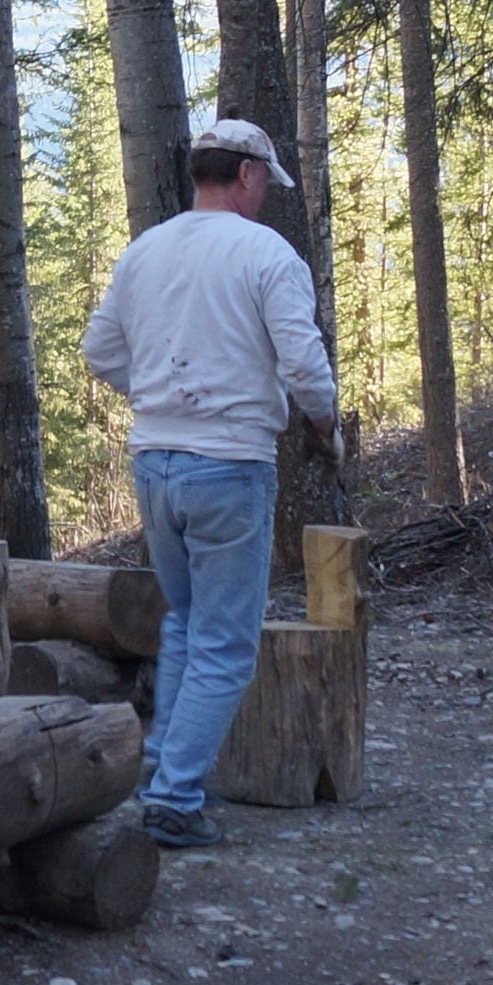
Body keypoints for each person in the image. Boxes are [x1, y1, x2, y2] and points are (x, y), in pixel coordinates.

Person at [82, 119, 340, 846]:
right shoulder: (266, 253)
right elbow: (304, 363)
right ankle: (172, 799)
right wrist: (325, 424)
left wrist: (158, 394)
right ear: (248, 175)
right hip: (229, 464)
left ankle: (165, 766)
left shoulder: (147, 250)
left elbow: (99, 349)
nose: (266, 198)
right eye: (266, 186)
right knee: (226, 640)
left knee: (185, 623)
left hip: (155, 460)